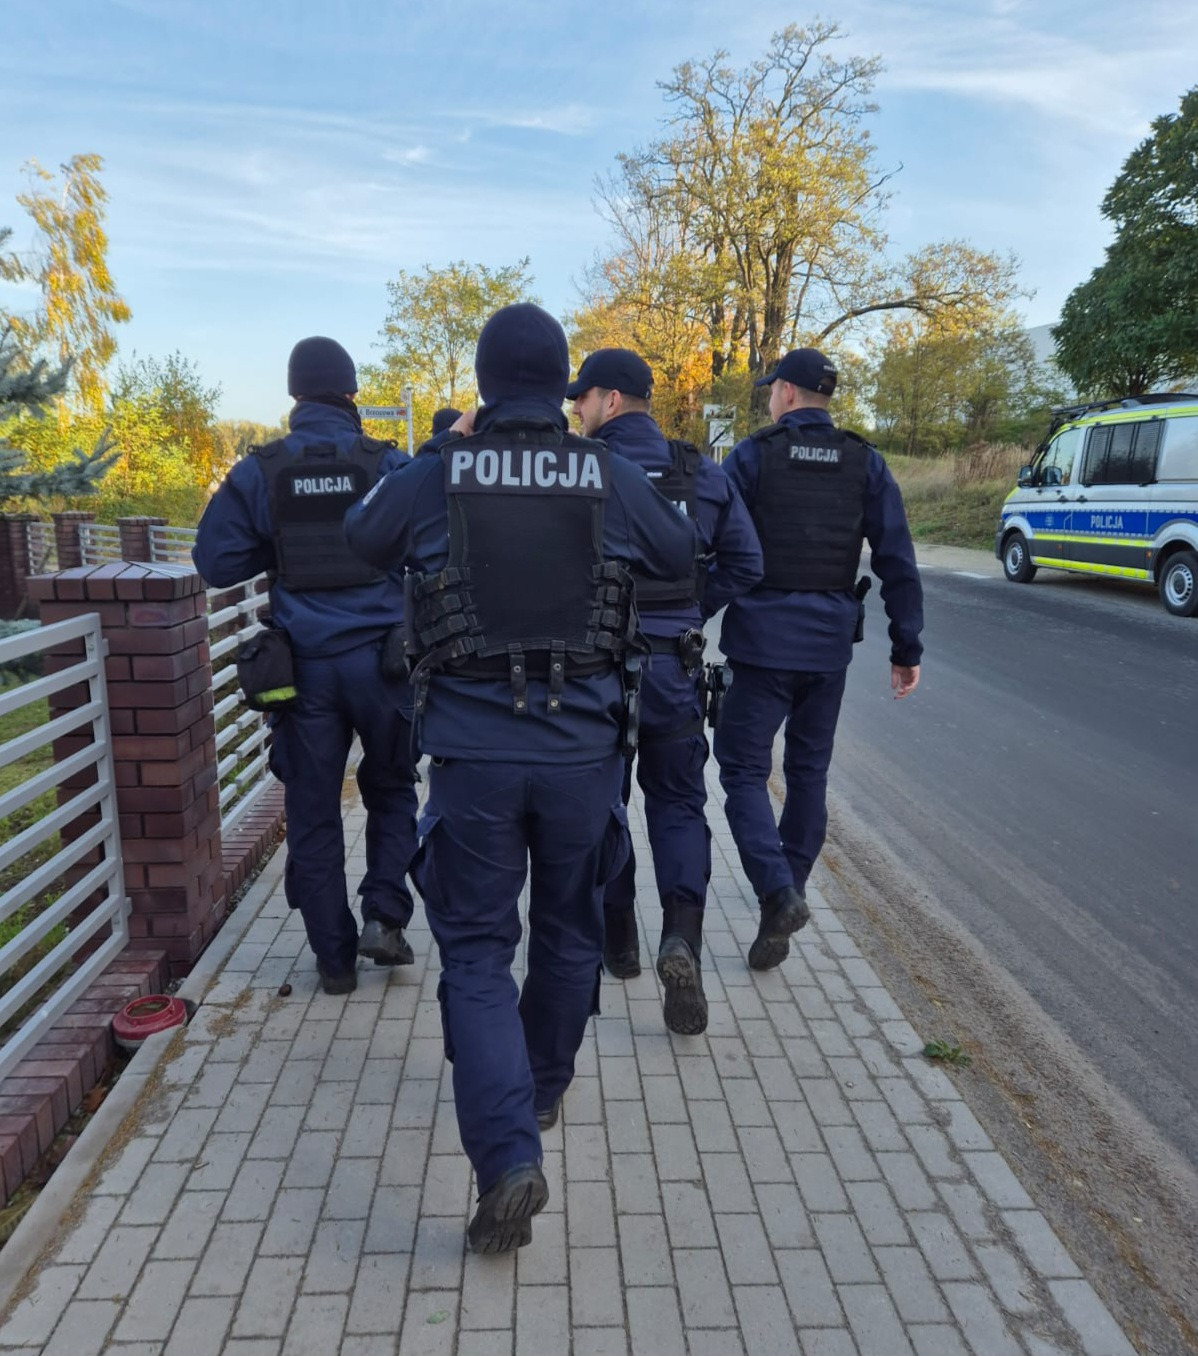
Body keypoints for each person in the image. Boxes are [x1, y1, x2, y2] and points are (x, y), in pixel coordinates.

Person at [344, 304, 699, 1254]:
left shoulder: (436, 475)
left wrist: (444, 444)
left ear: (484, 381)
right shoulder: (610, 473)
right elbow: (676, 557)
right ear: (563, 385)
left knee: (473, 954)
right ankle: (540, 1093)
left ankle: (505, 1157)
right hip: (585, 758)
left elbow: (362, 538)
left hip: (473, 765)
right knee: (570, 930)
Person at [193, 337, 420, 995]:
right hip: (386, 666)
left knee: (314, 810)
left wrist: (277, 547)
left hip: (306, 674)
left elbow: (214, 563)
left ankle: (334, 959)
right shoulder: (386, 464)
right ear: (351, 393)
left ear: (295, 396)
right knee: (393, 790)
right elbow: (435, 543)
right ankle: (386, 917)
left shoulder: (260, 469)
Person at [567, 347, 762, 1034]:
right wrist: (691, 608)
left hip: (595, 674)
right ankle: (681, 936)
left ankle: (619, 944)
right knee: (679, 804)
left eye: (582, 399)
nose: (576, 411)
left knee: (603, 805)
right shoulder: (699, 473)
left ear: (610, 401)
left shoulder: (580, 471)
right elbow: (747, 560)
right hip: (674, 670)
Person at [714, 348, 923, 970]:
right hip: (829, 649)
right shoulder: (866, 462)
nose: (769, 397)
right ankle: (792, 891)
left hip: (759, 646)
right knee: (808, 774)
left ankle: (777, 891)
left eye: (771, 387)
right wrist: (906, 648)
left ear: (785, 392)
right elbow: (897, 561)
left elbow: (714, 544)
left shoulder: (752, 457)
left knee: (743, 771)